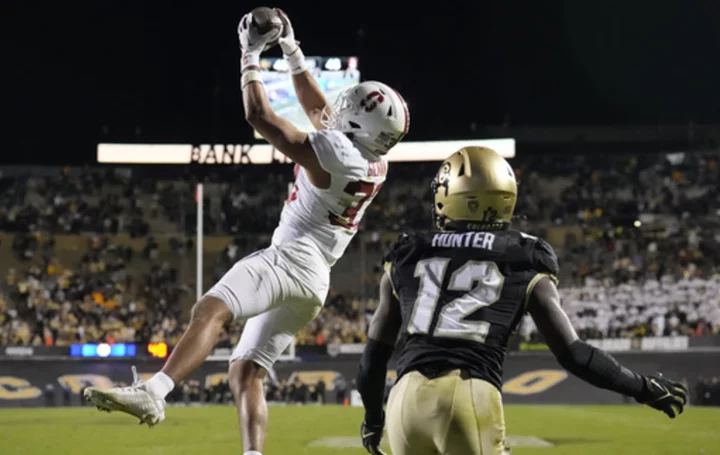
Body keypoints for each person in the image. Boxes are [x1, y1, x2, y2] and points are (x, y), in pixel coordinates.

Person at [84, 8, 409, 455]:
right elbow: (320, 110)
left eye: (350, 109)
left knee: (210, 308)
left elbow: (261, 118)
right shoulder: (375, 160)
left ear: (358, 126)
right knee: (246, 371)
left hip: (290, 260)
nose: (340, 111)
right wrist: (292, 49)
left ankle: (155, 392)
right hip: (314, 280)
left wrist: (251, 53)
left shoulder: (337, 152)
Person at [356, 147, 688, 455]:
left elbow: (372, 358)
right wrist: (642, 388)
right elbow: (574, 354)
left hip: (404, 402)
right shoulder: (523, 254)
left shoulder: (409, 251)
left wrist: (373, 419)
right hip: (468, 392)